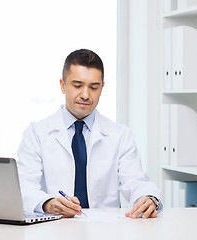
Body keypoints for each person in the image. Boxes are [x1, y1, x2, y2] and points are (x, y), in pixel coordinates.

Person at [17, 49, 162, 219]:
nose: (85, 95)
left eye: (94, 87)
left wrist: (148, 198)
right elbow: (24, 185)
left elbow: (136, 181)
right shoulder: (37, 133)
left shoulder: (120, 135)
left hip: (104, 229)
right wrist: (49, 203)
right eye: (77, 85)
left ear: (102, 88)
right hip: (54, 227)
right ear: (63, 85)